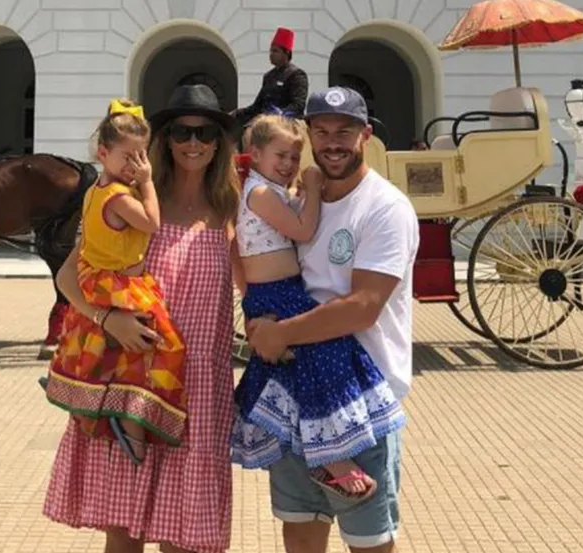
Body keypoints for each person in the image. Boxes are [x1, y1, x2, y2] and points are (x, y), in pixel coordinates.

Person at [43, 83, 242, 553]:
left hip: (199, 391)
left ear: (219, 143)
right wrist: (106, 319)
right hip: (136, 380)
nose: (193, 143)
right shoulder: (130, 201)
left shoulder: (231, 208)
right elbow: (70, 276)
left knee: (185, 533)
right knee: (123, 530)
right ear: (164, 140)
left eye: (205, 133)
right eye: (181, 132)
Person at [247, 86, 419, 552]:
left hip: (361, 404)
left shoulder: (384, 208)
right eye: (320, 132)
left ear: (366, 135)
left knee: (369, 544)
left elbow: (364, 305)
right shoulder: (299, 200)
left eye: (344, 131)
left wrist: (279, 333)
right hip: (295, 400)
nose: (332, 142)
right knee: (300, 534)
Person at [42, 98, 187, 465]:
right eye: (128, 157)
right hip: (118, 281)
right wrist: (149, 183)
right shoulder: (121, 197)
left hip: (93, 273)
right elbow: (153, 223)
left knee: (99, 349)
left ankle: (74, 387)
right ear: (103, 153)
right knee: (161, 345)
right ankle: (134, 425)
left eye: (142, 157)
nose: (135, 166)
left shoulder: (93, 191)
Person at [232, 27, 309, 132]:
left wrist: (276, 115)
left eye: (275, 51)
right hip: (265, 123)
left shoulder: (296, 75)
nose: (271, 55)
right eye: (270, 51)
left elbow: (298, 106)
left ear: (286, 53)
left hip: (287, 126)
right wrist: (236, 114)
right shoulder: (268, 76)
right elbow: (257, 106)